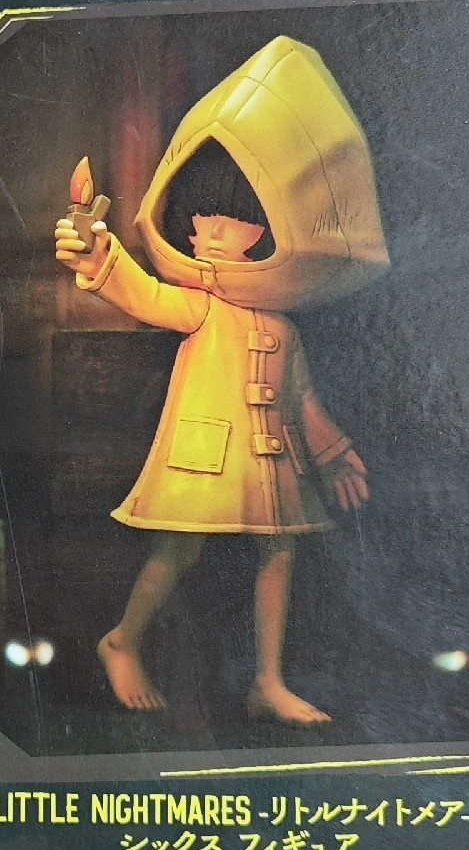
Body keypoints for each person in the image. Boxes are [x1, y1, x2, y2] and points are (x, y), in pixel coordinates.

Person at [52, 37, 386, 726]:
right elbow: (146, 295)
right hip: (206, 459)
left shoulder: (283, 328)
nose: (203, 234)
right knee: (177, 548)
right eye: (199, 222)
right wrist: (99, 255)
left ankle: (268, 679)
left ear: (260, 233)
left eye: (221, 225)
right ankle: (122, 641)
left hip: (270, 463)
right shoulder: (202, 307)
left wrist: (333, 451)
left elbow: (301, 399)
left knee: (280, 550)